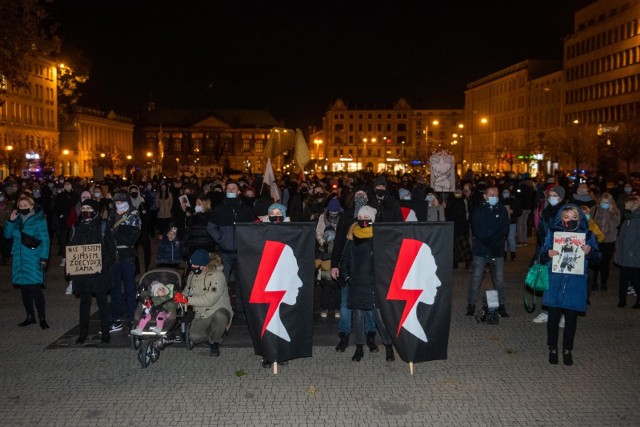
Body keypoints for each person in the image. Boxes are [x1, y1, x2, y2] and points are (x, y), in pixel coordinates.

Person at [541, 204, 601, 365]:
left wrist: (590, 253)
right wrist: (547, 254)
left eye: (574, 217)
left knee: (571, 318)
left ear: (580, 218)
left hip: (576, 282)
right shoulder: (553, 234)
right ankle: (552, 347)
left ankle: (567, 349)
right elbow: (541, 255)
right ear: (561, 218)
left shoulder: (587, 235)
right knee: (553, 317)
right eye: (566, 217)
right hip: (555, 281)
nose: (570, 221)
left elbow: (598, 259)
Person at [339, 205, 394, 362]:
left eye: (366, 218)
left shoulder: (379, 238)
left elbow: (385, 261)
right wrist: (348, 278)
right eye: (361, 218)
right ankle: (359, 348)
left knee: (379, 318)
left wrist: (379, 280)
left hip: (372, 285)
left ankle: (389, 346)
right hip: (356, 285)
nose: (363, 221)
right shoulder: (351, 238)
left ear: (372, 220)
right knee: (357, 318)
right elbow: (344, 261)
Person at [68, 199, 116, 344]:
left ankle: (105, 333)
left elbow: (111, 250)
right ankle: (83, 333)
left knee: (102, 303)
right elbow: (71, 248)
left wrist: (103, 264)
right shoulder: (76, 226)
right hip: (82, 274)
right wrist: (70, 267)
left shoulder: (102, 226)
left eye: (89, 208)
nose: (86, 211)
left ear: (95, 210)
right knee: (84, 304)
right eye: (83, 208)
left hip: (99, 272)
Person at [207, 181, 256, 318]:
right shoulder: (219, 209)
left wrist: (246, 241)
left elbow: (253, 228)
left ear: (239, 191)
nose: (231, 189)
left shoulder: (246, 209)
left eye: (233, 188)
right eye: (228, 188)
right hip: (225, 253)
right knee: (222, 281)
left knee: (242, 283)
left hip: (242, 252)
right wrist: (221, 238)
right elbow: (211, 227)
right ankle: (222, 309)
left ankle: (241, 310)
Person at [173, 250, 233, 357]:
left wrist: (187, 300)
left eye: (196, 264)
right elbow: (187, 291)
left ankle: (215, 341)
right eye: (192, 264)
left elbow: (210, 299)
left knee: (221, 316)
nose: (193, 266)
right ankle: (214, 332)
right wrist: (178, 301)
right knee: (194, 337)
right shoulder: (192, 275)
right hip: (201, 312)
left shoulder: (218, 276)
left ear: (204, 265)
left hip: (217, 308)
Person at [5, 195, 50, 329]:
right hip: (19, 261)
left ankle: (42, 318)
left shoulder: (39, 220)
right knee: (24, 291)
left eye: (25, 205)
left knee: (36, 290)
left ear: (31, 206)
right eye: (21, 205)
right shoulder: (16, 220)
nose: (23, 208)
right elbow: (7, 235)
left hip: (33, 259)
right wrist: (10, 221)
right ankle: (30, 316)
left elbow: (45, 240)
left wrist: (44, 258)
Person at [466, 186, 510, 317]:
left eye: (496, 194)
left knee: (499, 280)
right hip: (481, 249)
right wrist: (487, 240)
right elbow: (477, 228)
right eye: (491, 194)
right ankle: (471, 304)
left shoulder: (502, 210)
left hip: (497, 250)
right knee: (476, 278)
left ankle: (501, 305)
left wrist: (493, 240)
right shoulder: (478, 210)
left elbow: (504, 228)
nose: (494, 197)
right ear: (485, 196)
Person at [532, 185, 567, 324]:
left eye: (555, 195)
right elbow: (541, 229)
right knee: (547, 281)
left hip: (559, 251)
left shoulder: (565, 211)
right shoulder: (547, 210)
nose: (552, 198)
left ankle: (563, 314)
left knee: (560, 283)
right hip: (546, 250)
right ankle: (548, 311)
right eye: (550, 195)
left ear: (561, 197)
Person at [108, 190, 142, 333]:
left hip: (127, 256)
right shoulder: (111, 215)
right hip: (114, 258)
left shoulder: (134, 215)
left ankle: (133, 319)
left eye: (121, 201)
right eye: (117, 202)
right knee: (114, 289)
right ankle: (116, 319)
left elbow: (130, 238)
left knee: (130, 289)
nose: (119, 204)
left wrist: (114, 234)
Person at [316, 197, 342, 318]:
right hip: (326, 253)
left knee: (337, 286)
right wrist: (323, 243)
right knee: (326, 286)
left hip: (338, 253)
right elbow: (318, 232)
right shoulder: (323, 217)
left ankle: (338, 308)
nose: (333, 215)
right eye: (331, 213)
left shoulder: (343, 216)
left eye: (335, 214)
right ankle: (324, 308)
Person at [590, 192, 620, 291]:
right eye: (603, 202)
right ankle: (594, 282)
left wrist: (610, 213)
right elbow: (590, 222)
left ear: (611, 203)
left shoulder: (615, 211)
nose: (604, 204)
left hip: (609, 241)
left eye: (607, 202)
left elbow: (615, 224)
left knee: (605, 263)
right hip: (596, 240)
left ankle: (603, 283)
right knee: (595, 263)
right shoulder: (594, 209)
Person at [614, 195, 640, 308]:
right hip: (625, 255)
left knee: (635, 280)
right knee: (623, 279)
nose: (624, 205)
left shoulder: (636, 220)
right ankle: (622, 300)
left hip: (634, 256)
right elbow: (621, 237)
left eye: (626, 203)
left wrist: (632, 251)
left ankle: (638, 300)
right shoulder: (628, 219)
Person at [445, 188, 472, 269]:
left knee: (464, 245)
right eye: (456, 191)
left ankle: (468, 262)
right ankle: (454, 262)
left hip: (463, 225)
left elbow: (469, 211)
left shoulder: (465, 200)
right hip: (453, 225)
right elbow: (447, 213)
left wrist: (468, 221)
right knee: (454, 245)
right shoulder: (450, 200)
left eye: (459, 191)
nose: (457, 193)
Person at [501, 187, 522, 261]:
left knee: (510, 238)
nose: (505, 193)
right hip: (502, 223)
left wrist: (513, 212)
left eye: (507, 192)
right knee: (504, 238)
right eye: (504, 192)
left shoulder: (514, 201)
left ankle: (513, 254)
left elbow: (519, 212)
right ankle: (504, 254)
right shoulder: (500, 201)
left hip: (511, 222)